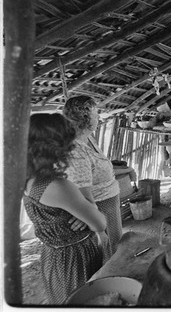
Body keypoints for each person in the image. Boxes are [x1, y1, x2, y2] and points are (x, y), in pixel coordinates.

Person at [23, 113, 108, 304]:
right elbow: (100, 223)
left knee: (64, 301)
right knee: (83, 300)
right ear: (57, 147)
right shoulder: (57, 186)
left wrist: (81, 209)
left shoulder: (29, 178)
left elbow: (59, 211)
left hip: (53, 256)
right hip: (75, 258)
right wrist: (89, 208)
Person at [63, 96, 121, 258]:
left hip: (108, 203)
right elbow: (83, 193)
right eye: (96, 114)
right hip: (99, 208)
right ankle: (110, 280)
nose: (99, 117)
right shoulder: (76, 151)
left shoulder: (88, 138)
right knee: (109, 251)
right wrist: (96, 226)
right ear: (85, 117)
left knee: (115, 246)